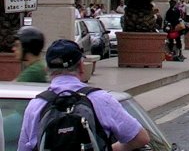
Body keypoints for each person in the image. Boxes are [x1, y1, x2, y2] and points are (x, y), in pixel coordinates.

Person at [17, 39, 150, 151]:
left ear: (47, 69)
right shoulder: (100, 99)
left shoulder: (36, 105)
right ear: (81, 66)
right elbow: (141, 138)